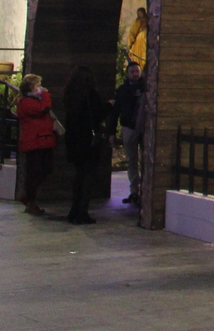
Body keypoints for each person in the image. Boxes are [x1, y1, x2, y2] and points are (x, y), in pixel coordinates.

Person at [63, 66, 106, 225]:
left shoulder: (70, 95)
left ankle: (74, 211)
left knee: (78, 176)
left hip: (73, 140)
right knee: (88, 176)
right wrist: (109, 105)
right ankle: (82, 212)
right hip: (88, 140)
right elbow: (98, 114)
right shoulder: (91, 95)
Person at [15, 74, 57, 216]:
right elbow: (42, 109)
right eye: (37, 85)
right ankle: (30, 199)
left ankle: (28, 196)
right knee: (34, 172)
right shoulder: (26, 102)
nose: (40, 88)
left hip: (43, 140)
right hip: (34, 142)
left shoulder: (34, 99)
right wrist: (45, 95)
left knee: (45, 168)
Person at [108, 62, 146, 203]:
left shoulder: (146, 88)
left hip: (144, 128)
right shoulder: (122, 90)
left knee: (145, 160)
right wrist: (112, 132)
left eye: (137, 71)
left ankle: (144, 191)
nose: (135, 74)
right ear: (127, 73)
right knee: (132, 160)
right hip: (129, 127)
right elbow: (115, 112)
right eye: (132, 72)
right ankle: (134, 191)